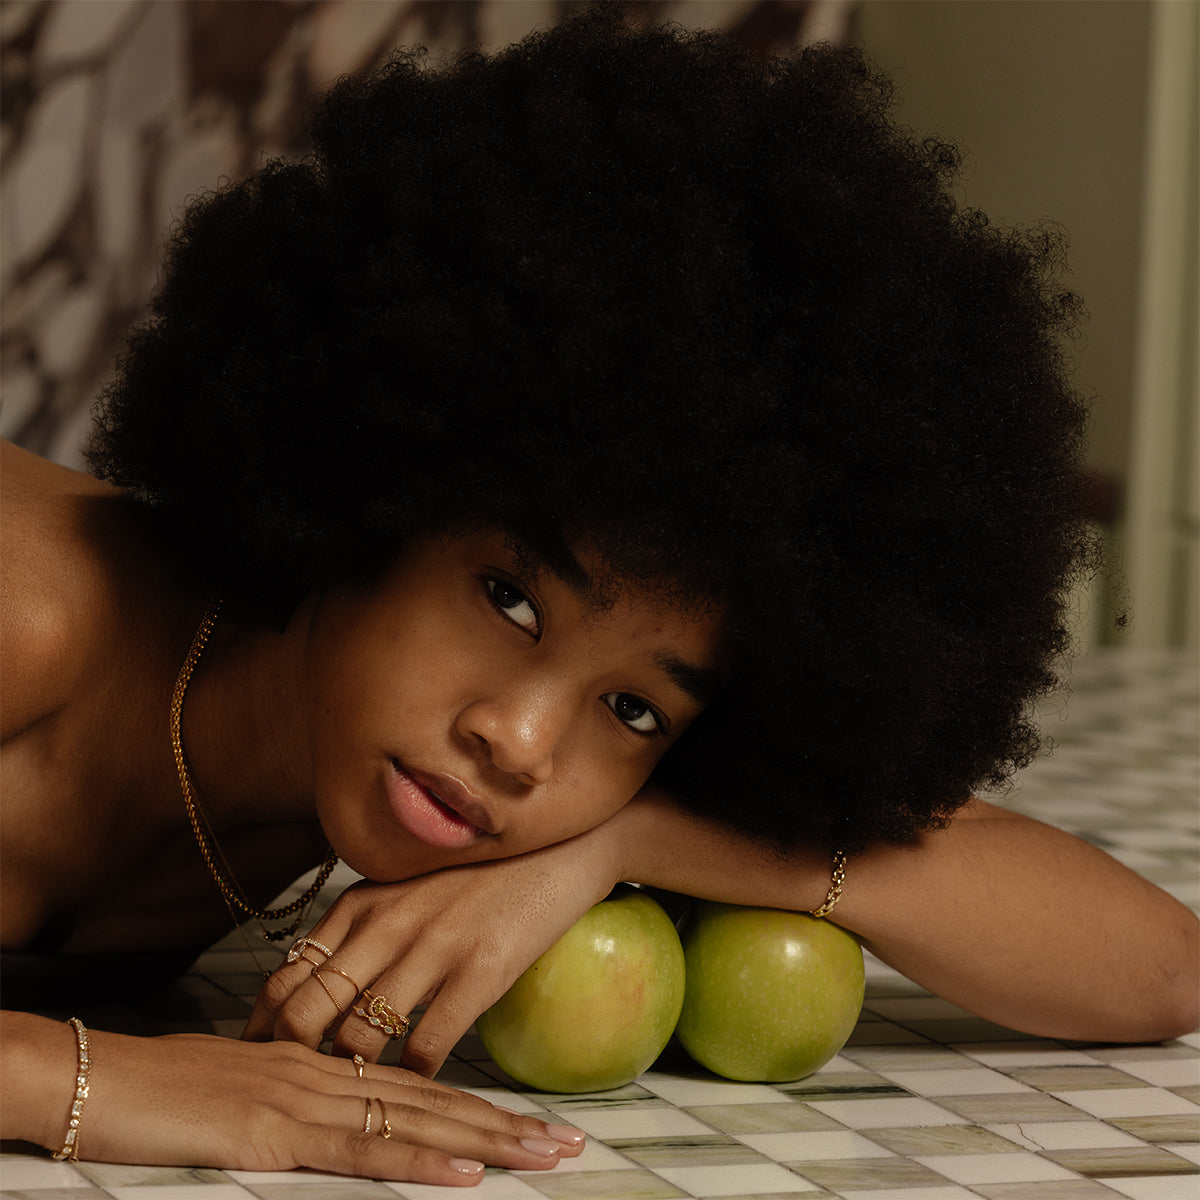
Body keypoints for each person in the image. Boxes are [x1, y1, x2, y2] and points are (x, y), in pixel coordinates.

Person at [2, 6, 1196, 1187]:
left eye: (634, 711)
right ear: (374, 487)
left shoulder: (409, 772)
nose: (520, 743)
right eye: (510, 600)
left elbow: (1159, 972)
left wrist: (629, 835)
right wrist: (92, 1082)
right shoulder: (32, 616)